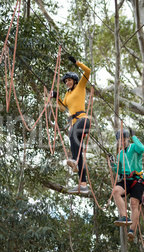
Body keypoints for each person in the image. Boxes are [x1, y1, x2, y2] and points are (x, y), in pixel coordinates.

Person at [51, 56, 91, 194]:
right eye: (66, 81)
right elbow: (63, 108)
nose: (67, 83)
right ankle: (83, 184)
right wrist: (57, 97)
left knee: (72, 133)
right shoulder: (67, 94)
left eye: (69, 80)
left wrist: (76, 62)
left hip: (83, 121)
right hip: (75, 125)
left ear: (74, 81)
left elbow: (88, 71)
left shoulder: (80, 86)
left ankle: (74, 161)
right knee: (76, 149)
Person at [110, 128, 144, 242]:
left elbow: (142, 148)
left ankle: (132, 230)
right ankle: (124, 217)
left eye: (123, 139)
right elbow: (119, 171)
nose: (121, 142)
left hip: (137, 179)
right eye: (119, 140)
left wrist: (134, 136)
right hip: (126, 179)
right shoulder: (120, 154)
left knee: (134, 204)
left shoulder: (134, 147)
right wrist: (112, 164)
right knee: (115, 191)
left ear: (127, 139)